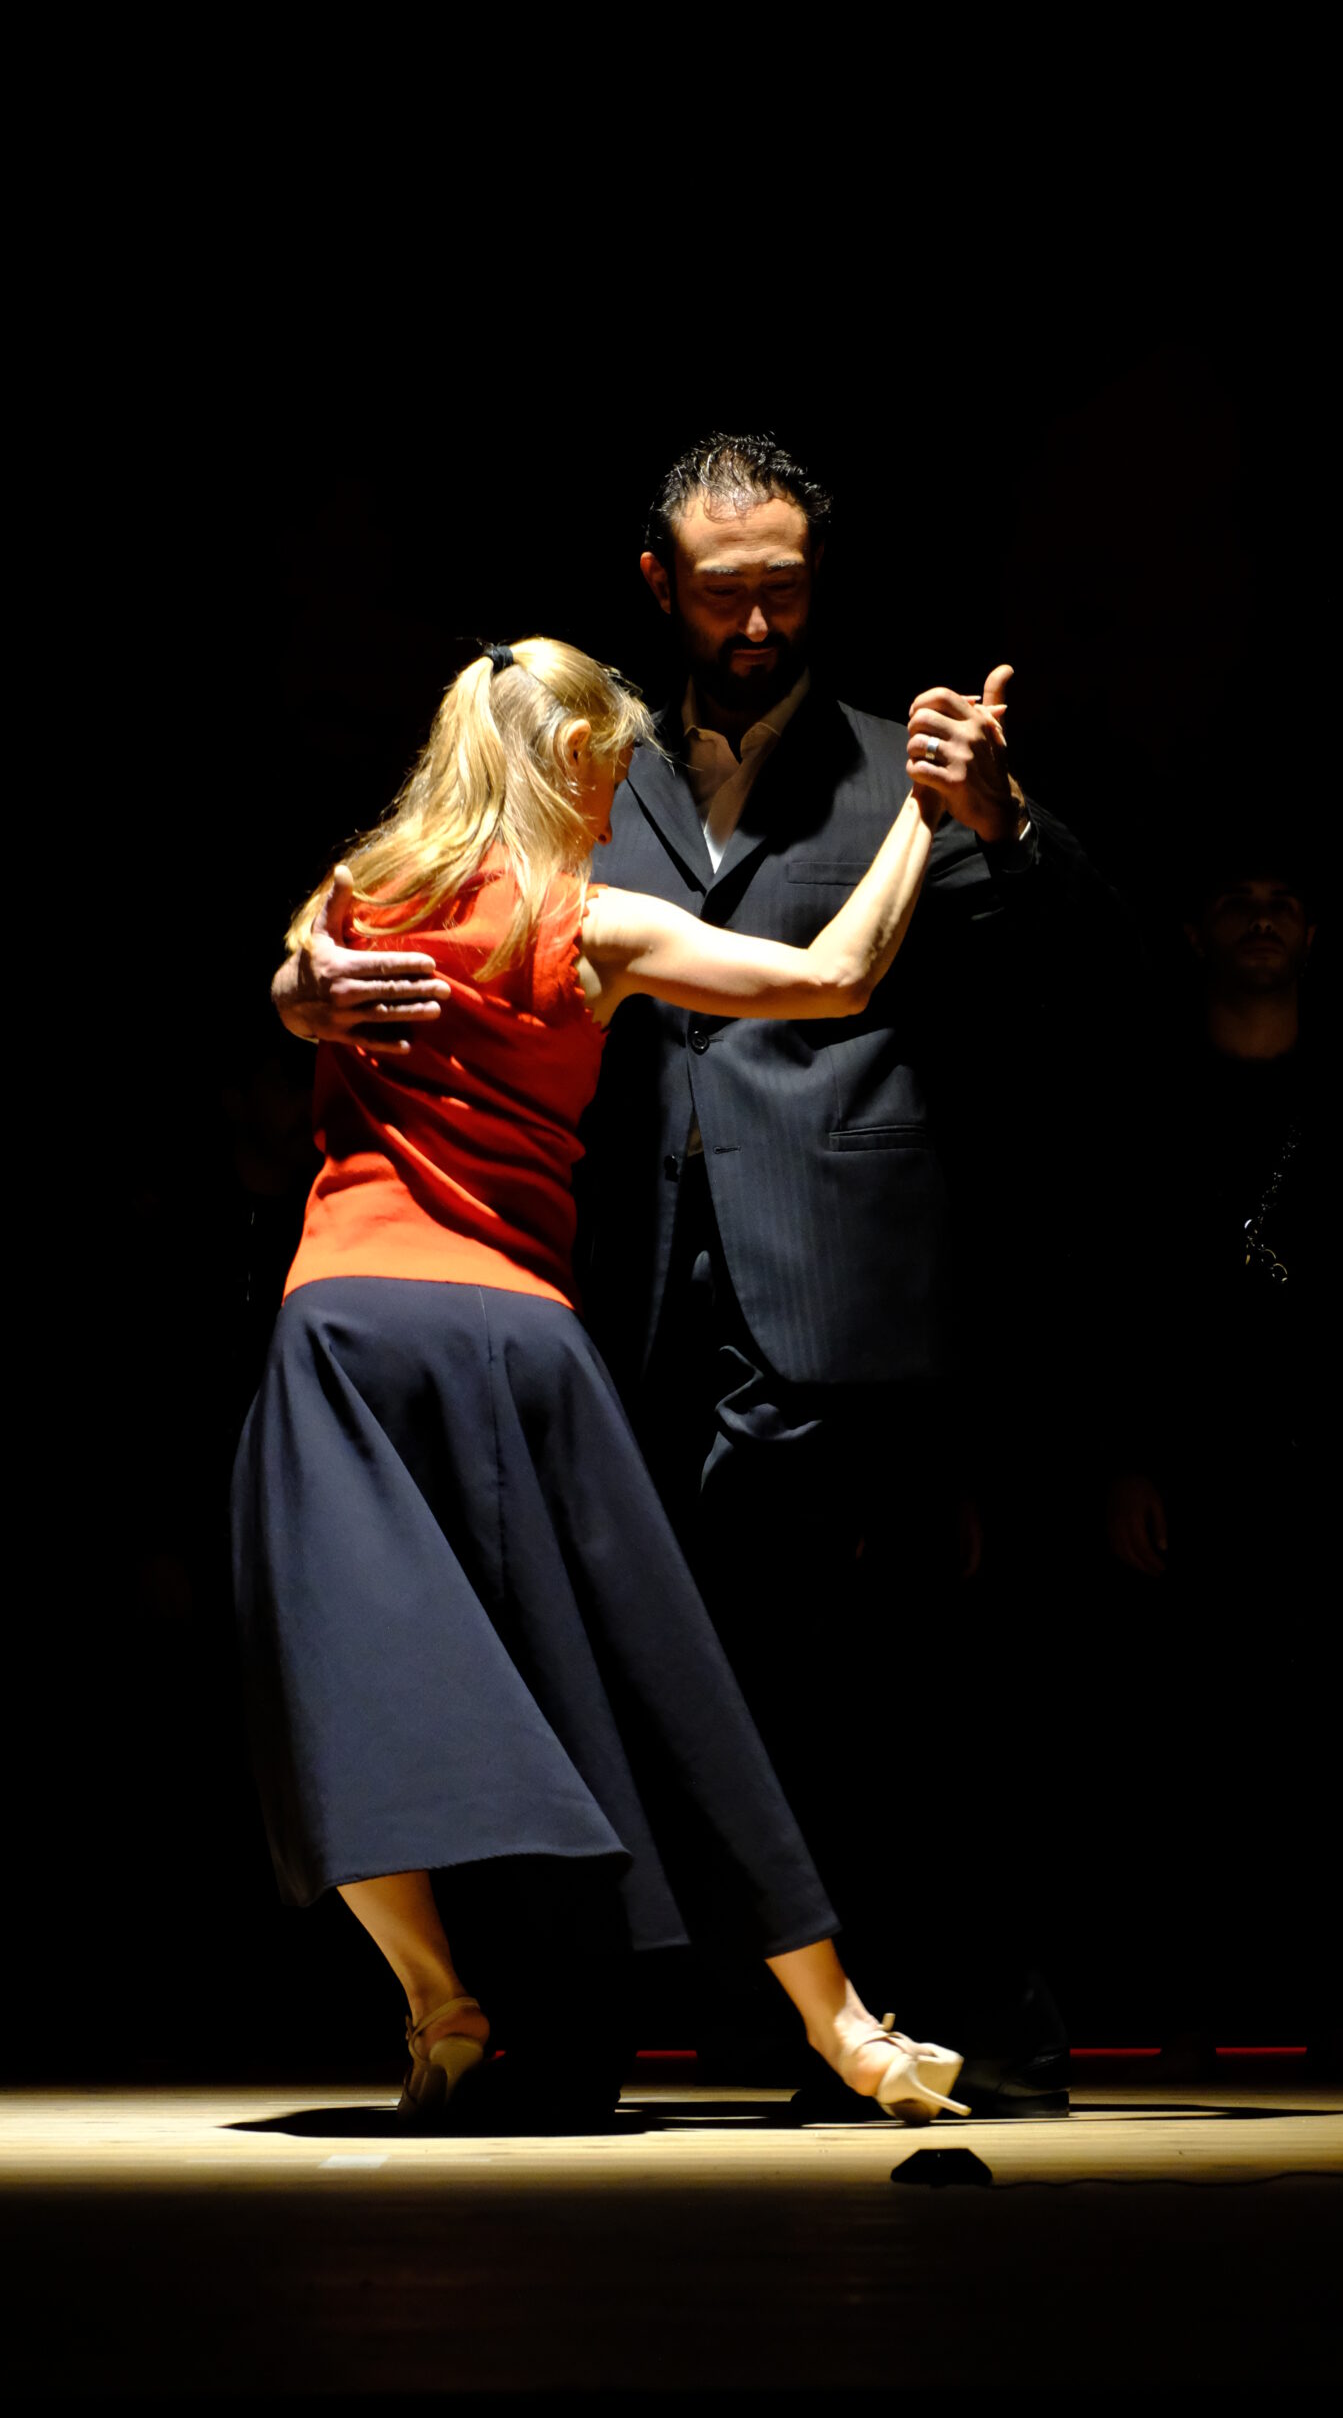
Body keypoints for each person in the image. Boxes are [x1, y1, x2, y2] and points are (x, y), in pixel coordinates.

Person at [276, 431, 1131, 2114]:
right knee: (623, 1675)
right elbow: (349, 933)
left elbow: (1101, 981)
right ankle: (627, 2033)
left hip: (835, 1288)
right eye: (724, 589)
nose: (756, 620)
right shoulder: (586, 768)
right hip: (618, 1303)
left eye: (786, 588)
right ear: (658, 586)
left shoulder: (902, 764)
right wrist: (295, 992)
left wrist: (997, 817)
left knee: (882, 1695)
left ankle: (951, 2017)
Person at [238, 632, 973, 2128]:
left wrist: (296, 990)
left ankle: (440, 2004)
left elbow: (297, 978)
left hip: (342, 1328)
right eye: (610, 769)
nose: (616, 798)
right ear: (569, 759)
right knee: (666, 1672)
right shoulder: (590, 924)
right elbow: (835, 977)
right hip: (513, 1334)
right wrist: (922, 812)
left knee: (344, 1682)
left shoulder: (351, 900)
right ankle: (845, 2028)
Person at [1095, 849, 1343, 2050]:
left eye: (1283, 902)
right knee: (1187, 1744)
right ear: (1195, 933)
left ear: (1313, 936)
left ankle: (1342, 2011)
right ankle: (1187, 2013)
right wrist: (1122, 1456)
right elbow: (1103, 1288)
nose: (1262, 918)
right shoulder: (1145, 1095)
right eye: (1238, 901)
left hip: (1339, 1461)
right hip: (1188, 1463)